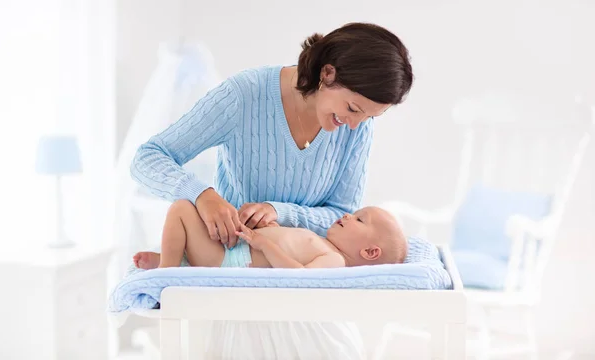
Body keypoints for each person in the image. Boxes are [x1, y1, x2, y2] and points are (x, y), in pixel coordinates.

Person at [130, 22, 414, 249]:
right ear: (327, 74)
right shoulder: (244, 95)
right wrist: (202, 195)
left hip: (303, 279)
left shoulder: (358, 125)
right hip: (237, 271)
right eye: (353, 108)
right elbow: (147, 158)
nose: (355, 125)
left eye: (368, 117)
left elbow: (341, 214)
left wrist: (279, 212)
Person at [133, 200, 408, 270]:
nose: (348, 215)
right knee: (189, 215)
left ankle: (166, 272)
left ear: (370, 252)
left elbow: (298, 275)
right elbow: (291, 250)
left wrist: (264, 243)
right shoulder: (323, 243)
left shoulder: (334, 260)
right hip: (236, 249)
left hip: (234, 258)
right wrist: (273, 232)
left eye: (360, 219)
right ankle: (173, 259)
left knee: (181, 208)